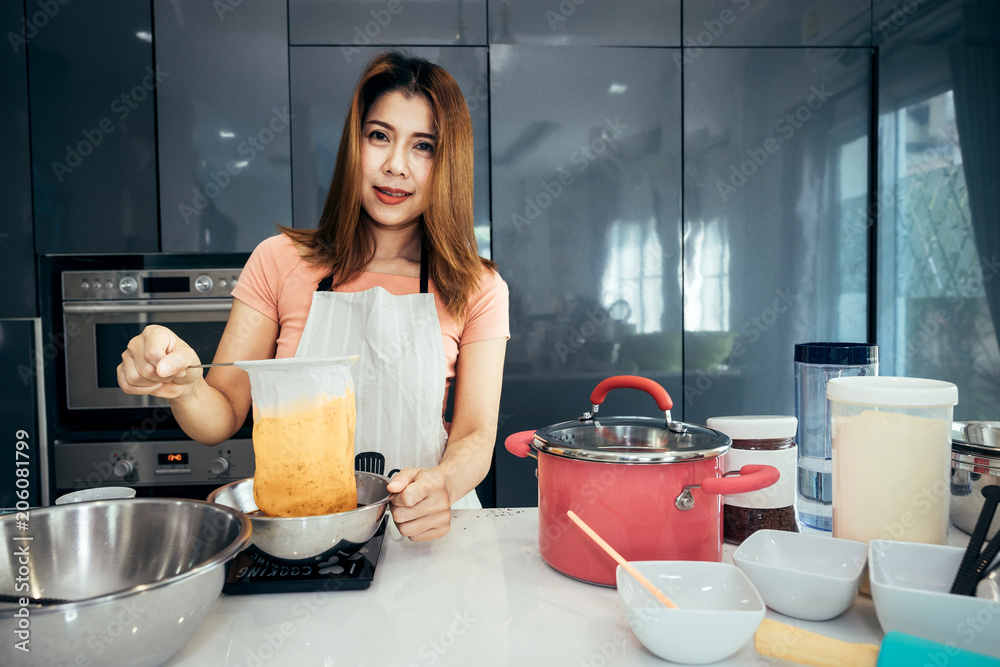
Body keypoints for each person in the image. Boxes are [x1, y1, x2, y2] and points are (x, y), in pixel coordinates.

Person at [117, 50, 509, 541]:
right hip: (301, 539)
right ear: (355, 143)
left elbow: (475, 433)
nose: (395, 166)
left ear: (446, 161)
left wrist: (443, 485)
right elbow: (219, 414)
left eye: (423, 146)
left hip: (426, 532)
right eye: (379, 136)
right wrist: (183, 385)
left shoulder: (476, 287)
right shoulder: (279, 261)